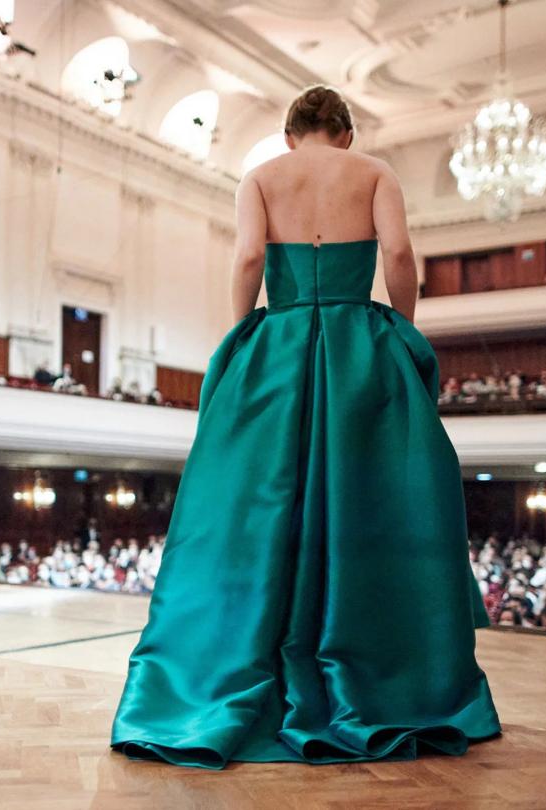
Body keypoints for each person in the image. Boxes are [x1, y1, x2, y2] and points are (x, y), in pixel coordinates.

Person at [111, 85, 500, 769]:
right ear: (346, 133)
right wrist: (401, 330)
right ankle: (375, 673)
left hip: (280, 351)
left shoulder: (261, 176)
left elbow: (248, 259)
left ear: (291, 135)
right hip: (360, 350)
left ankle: (235, 668)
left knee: (254, 508)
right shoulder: (375, 171)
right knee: (374, 499)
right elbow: (402, 258)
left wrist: (242, 336)